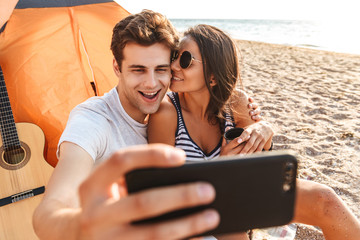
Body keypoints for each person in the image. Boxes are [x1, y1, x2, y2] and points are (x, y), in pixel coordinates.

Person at [33, 10, 268, 240]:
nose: (152, 83)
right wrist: (77, 228)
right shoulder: (93, 120)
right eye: (138, 70)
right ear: (117, 67)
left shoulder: (172, 112)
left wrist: (264, 126)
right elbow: (50, 212)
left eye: (162, 69)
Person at [147, 24, 360, 240]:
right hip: (197, 208)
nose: (173, 65)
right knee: (229, 227)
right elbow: (163, 188)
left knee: (325, 199)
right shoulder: (166, 112)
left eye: (184, 60)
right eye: (174, 56)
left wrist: (263, 132)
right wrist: (219, 169)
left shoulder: (236, 102)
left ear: (212, 76)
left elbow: (258, 164)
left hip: (241, 195)